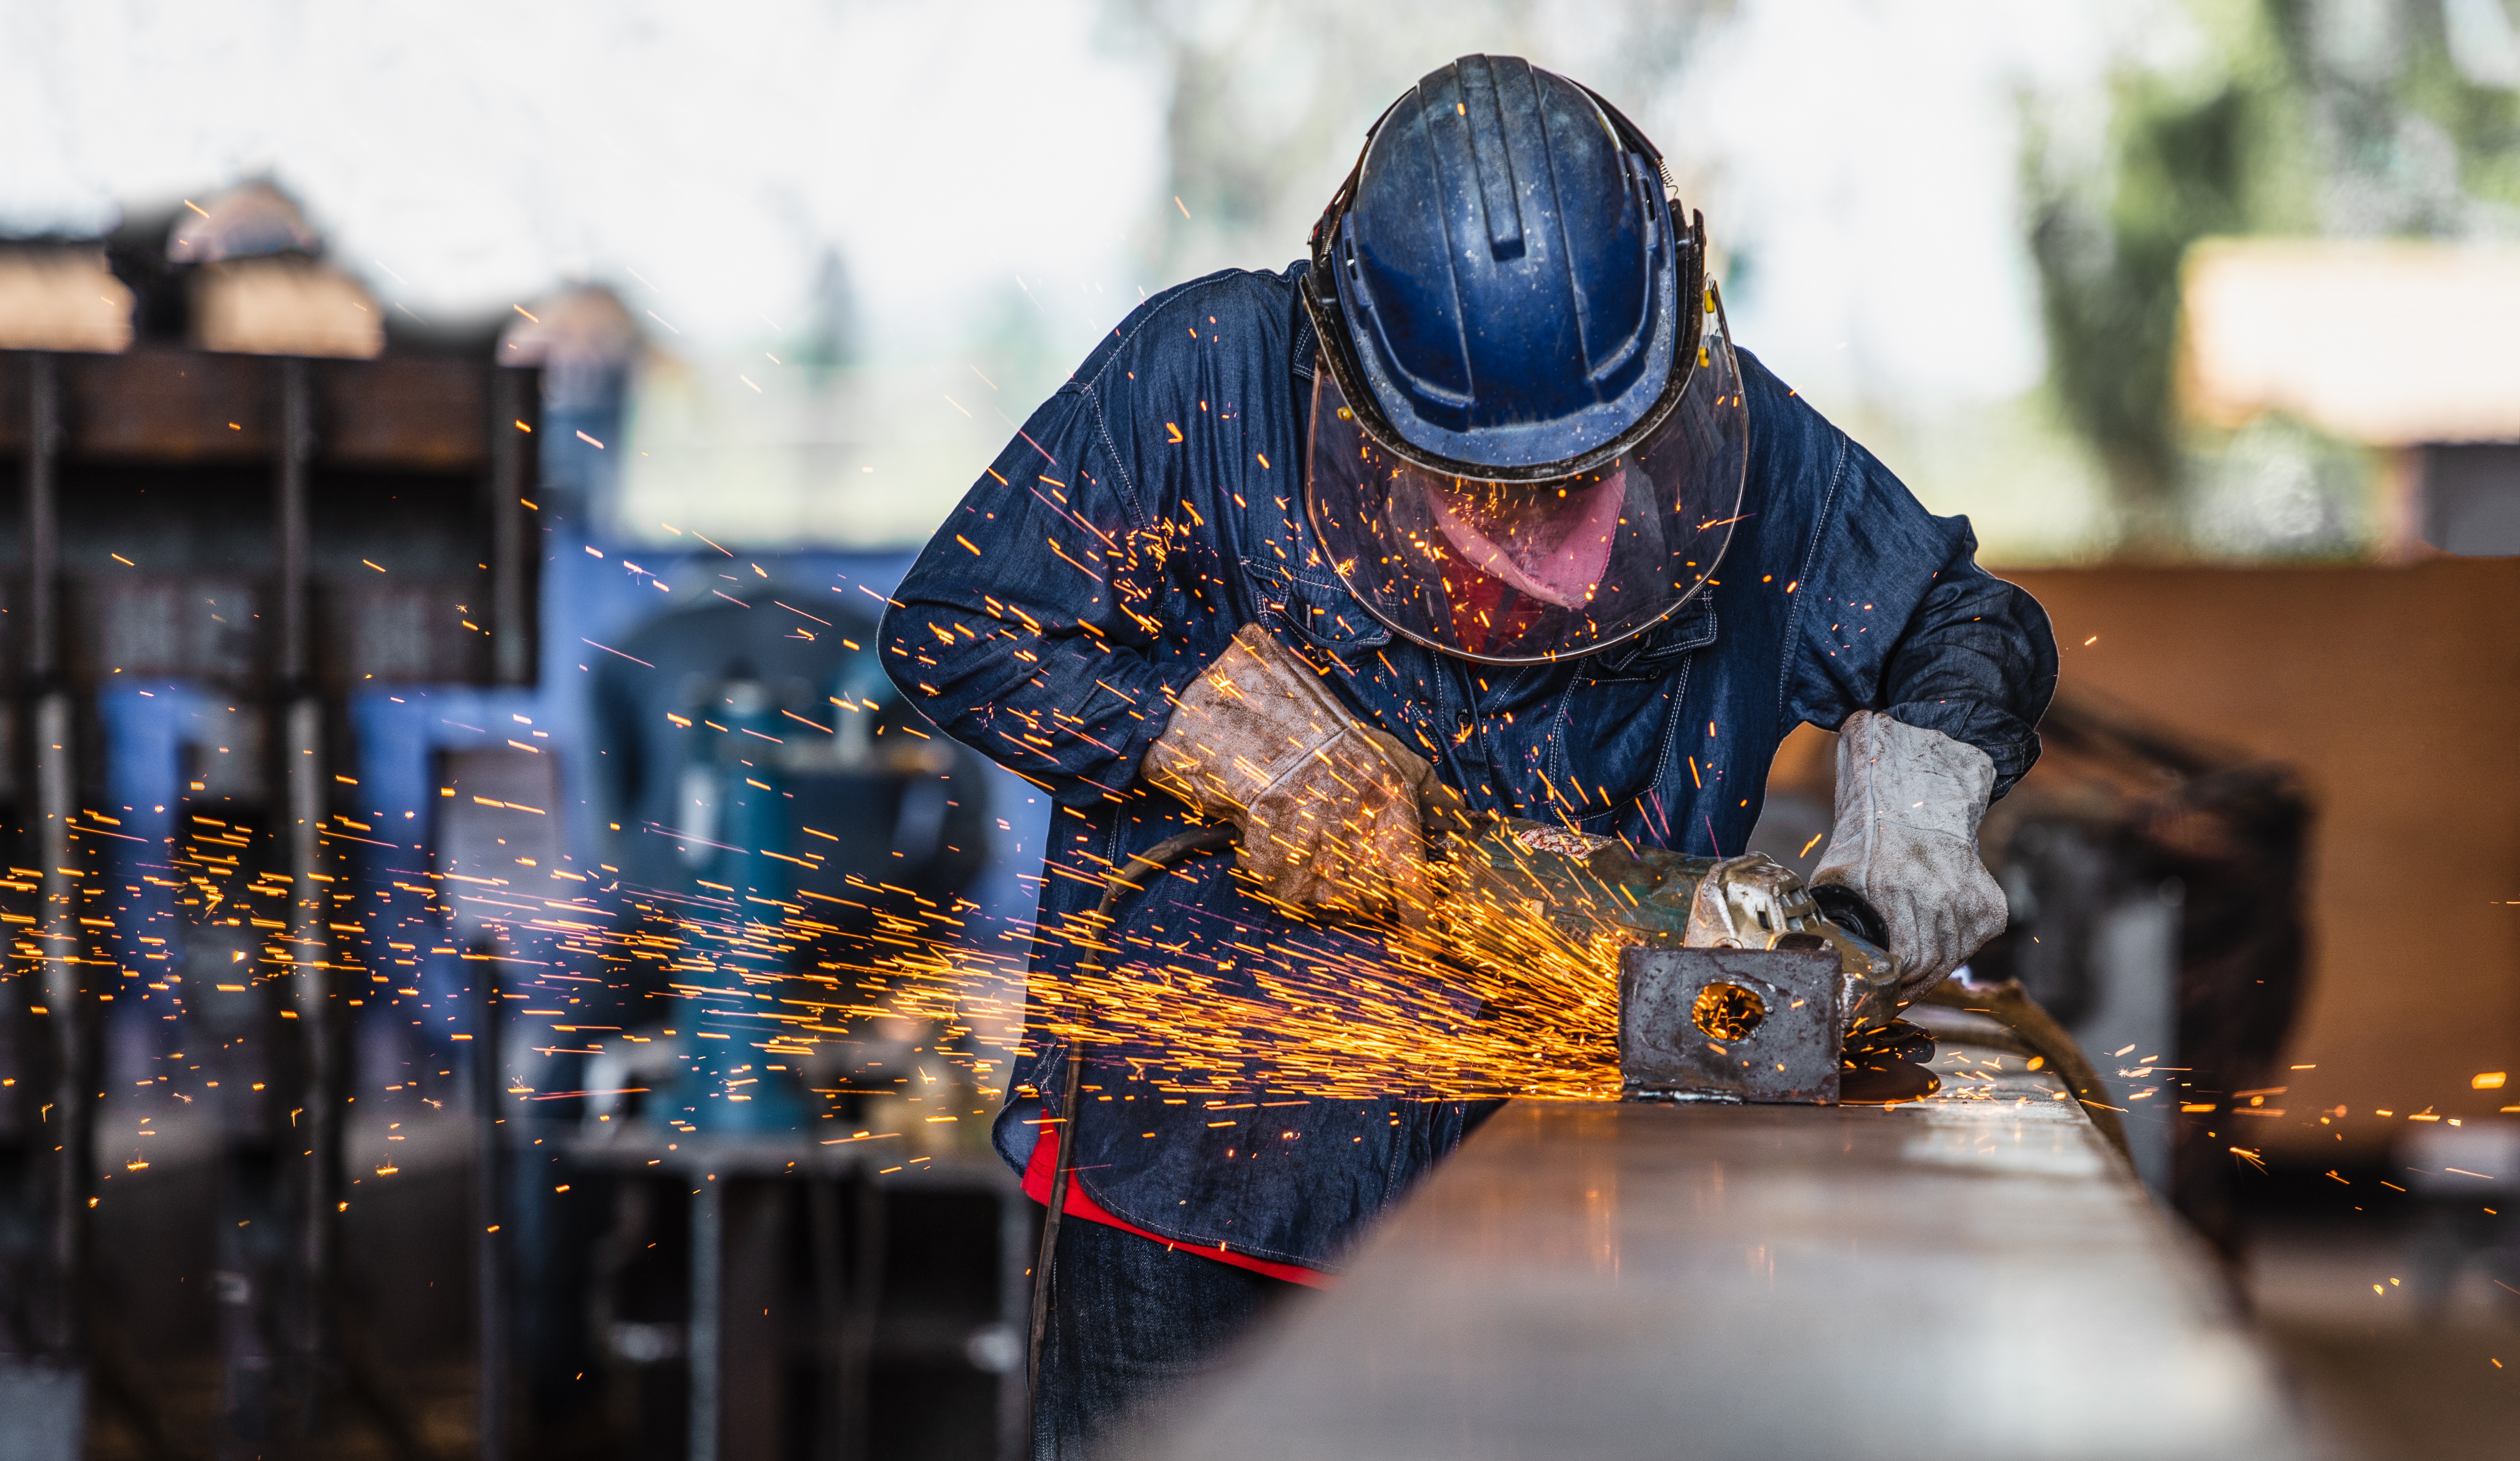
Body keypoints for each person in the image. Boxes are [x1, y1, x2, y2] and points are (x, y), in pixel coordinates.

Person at [881, 54, 2056, 1456]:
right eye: (1475, 477)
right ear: (1351, 364)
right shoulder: (1207, 379)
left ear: (1666, 347)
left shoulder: (1746, 454)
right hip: (1206, 1193)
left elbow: (1958, 616)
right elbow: (960, 625)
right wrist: (1205, 736)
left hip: (1569, 1189)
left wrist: (1921, 797)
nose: (1531, 512)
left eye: (1580, 470)